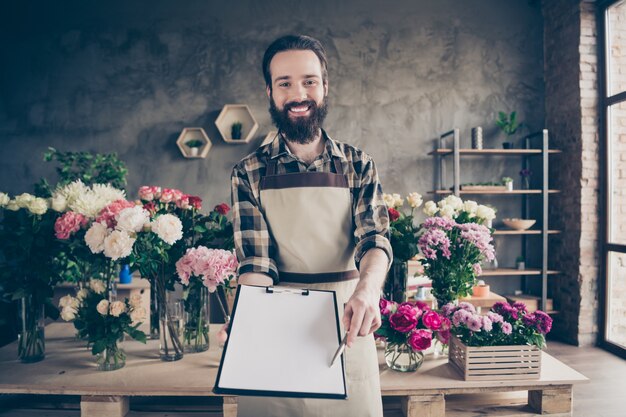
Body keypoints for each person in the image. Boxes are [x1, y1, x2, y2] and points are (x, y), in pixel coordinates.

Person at [230, 34, 392, 417]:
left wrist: (368, 290)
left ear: (324, 86)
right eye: (285, 83)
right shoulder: (249, 172)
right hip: (276, 328)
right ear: (269, 92)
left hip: (346, 326)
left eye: (309, 81)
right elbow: (256, 263)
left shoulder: (357, 164)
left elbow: (374, 239)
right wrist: (249, 317)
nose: (298, 93)